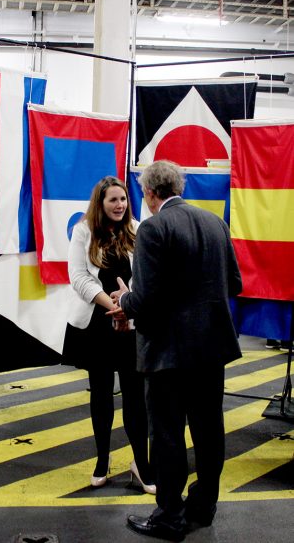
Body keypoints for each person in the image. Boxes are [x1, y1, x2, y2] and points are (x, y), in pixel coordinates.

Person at [109, 160, 242, 542]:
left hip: (167, 352)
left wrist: (126, 299)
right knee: (209, 430)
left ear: (149, 193)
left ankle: (169, 517)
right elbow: (233, 282)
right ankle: (203, 507)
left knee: (167, 434)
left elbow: (147, 297)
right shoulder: (214, 221)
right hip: (211, 349)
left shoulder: (153, 228)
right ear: (178, 186)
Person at [66, 175, 154, 494]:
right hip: (97, 325)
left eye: (123, 199)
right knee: (101, 396)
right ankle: (102, 460)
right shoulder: (84, 232)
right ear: (100, 204)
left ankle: (141, 465)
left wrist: (127, 305)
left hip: (131, 324)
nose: (120, 205)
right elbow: (78, 277)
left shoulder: (140, 229)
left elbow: (149, 274)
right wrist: (112, 305)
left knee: (135, 397)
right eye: (113, 200)